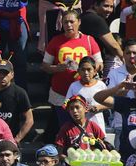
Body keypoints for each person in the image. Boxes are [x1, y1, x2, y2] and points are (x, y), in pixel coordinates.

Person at [41, 9, 102, 137]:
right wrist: (58, 68)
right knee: (67, 129)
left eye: (71, 21)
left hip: (84, 93)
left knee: (86, 130)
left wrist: (85, 69)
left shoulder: (89, 41)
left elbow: (100, 64)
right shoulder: (55, 41)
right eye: (65, 22)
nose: (68, 25)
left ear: (79, 22)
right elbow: (45, 66)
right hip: (61, 94)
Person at [0, 59, 33, 144]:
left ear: (12, 74)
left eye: (6, 73)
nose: (2, 76)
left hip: (10, 140)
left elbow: (29, 119)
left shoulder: (19, 92)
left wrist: (16, 139)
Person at [80, 0, 124, 75]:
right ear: (96, 5)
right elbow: (114, 46)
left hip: (82, 65)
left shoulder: (83, 16)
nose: (109, 10)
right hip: (92, 66)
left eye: (111, 7)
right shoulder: (97, 20)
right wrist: (125, 61)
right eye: (106, 6)